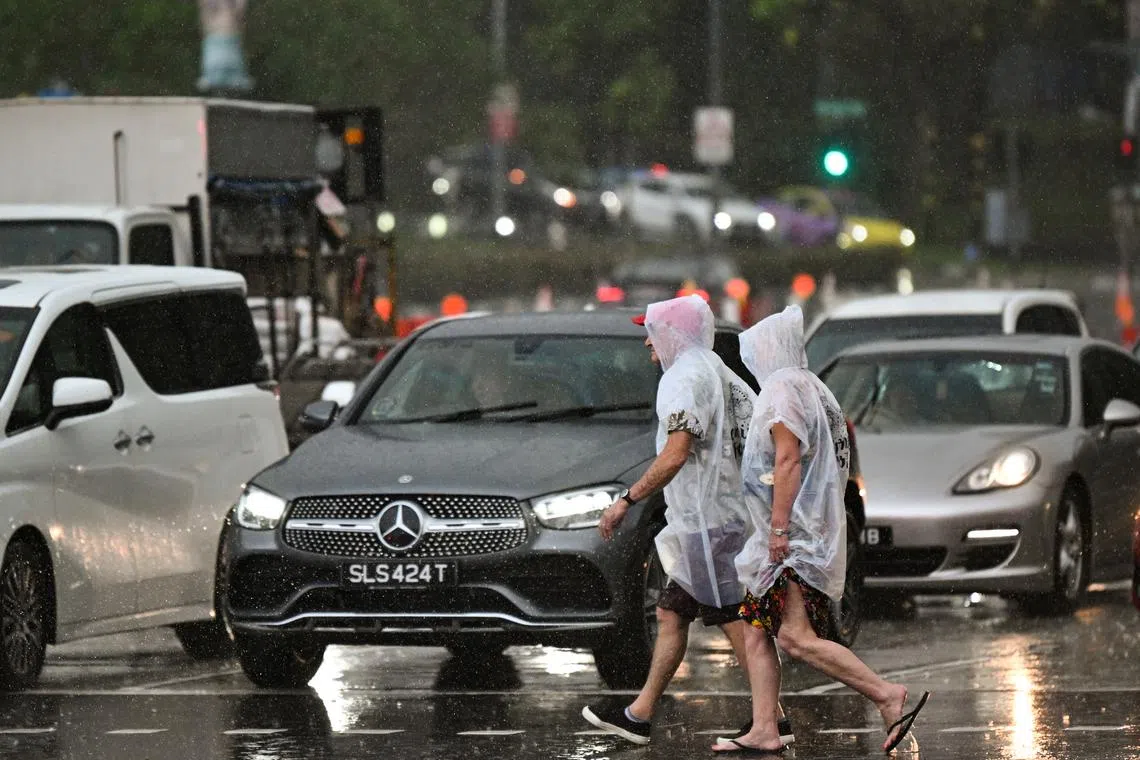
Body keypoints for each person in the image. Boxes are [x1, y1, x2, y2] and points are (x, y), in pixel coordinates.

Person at [712, 305, 929, 755]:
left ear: (767, 351)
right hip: (801, 532)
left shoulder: (782, 391)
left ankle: (885, 693)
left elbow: (787, 459)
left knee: (794, 637)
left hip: (792, 539)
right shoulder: (811, 387)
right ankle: (765, 727)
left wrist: (777, 530)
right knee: (755, 630)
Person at [581, 294, 792, 746]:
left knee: (738, 621)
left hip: (709, 522)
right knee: (673, 612)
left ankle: (770, 722)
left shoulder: (683, 378)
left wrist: (627, 499)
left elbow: (676, 452)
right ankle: (639, 714)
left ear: (672, 332)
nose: (646, 343)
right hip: (724, 516)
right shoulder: (720, 372)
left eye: (652, 330)